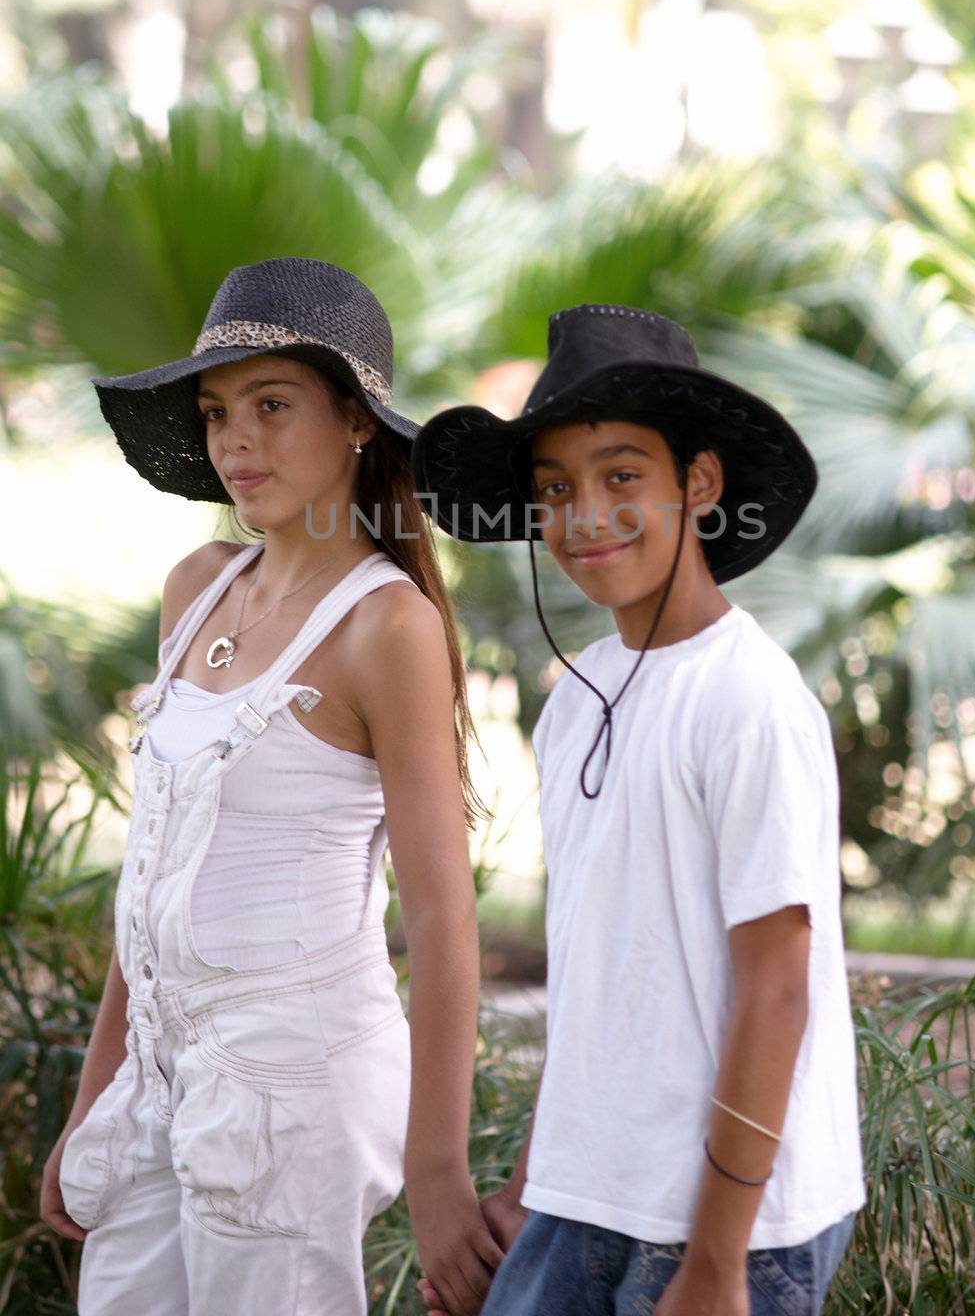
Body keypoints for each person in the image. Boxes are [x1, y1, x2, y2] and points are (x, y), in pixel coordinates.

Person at [39, 256, 504, 1316]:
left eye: (271, 404)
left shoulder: (387, 625)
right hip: (162, 1077)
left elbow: (440, 913)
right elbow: (152, 873)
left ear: (354, 423)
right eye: (215, 412)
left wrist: (439, 1173)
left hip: (290, 1090)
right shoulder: (200, 588)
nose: (234, 440)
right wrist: (96, 1093)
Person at [411, 302, 866, 1316]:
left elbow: (777, 987)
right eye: (555, 489)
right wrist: (536, 1185)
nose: (586, 516)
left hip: (728, 1224)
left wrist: (714, 1260)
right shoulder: (576, 698)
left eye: (623, 476)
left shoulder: (747, 698)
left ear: (696, 485)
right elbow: (600, 977)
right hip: (591, 1200)